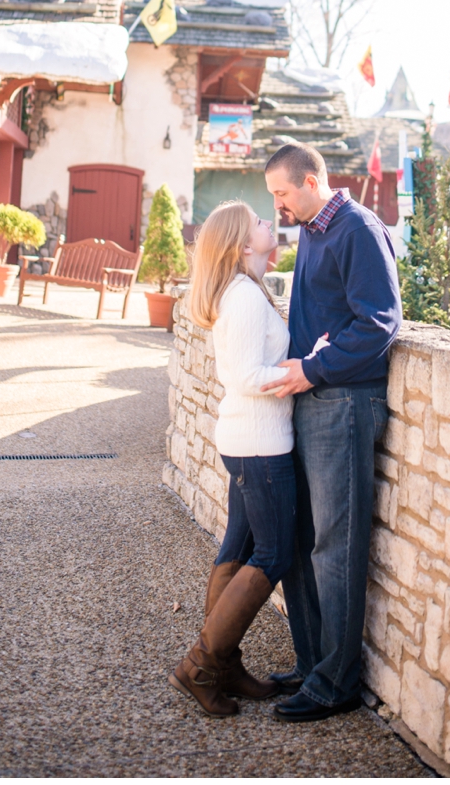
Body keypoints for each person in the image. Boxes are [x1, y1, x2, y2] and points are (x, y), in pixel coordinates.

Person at [260, 142, 401, 722]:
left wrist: (312, 370)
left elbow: (380, 322)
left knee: (335, 547)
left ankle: (334, 684)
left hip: (344, 403)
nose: (277, 206)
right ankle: (313, 660)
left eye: (282, 193)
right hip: (313, 401)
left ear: (312, 180)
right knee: (301, 541)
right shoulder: (315, 230)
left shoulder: (357, 230)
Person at [168, 201, 294, 716]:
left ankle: (224, 666)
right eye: (260, 223)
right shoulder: (242, 297)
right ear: (243, 245)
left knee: (238, 547)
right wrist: (301, 368)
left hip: (249, 441)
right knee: (273, 554)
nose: (269, 223)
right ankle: (199, 667)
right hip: (260, 446)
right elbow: (245, 376)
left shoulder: (246, 288)